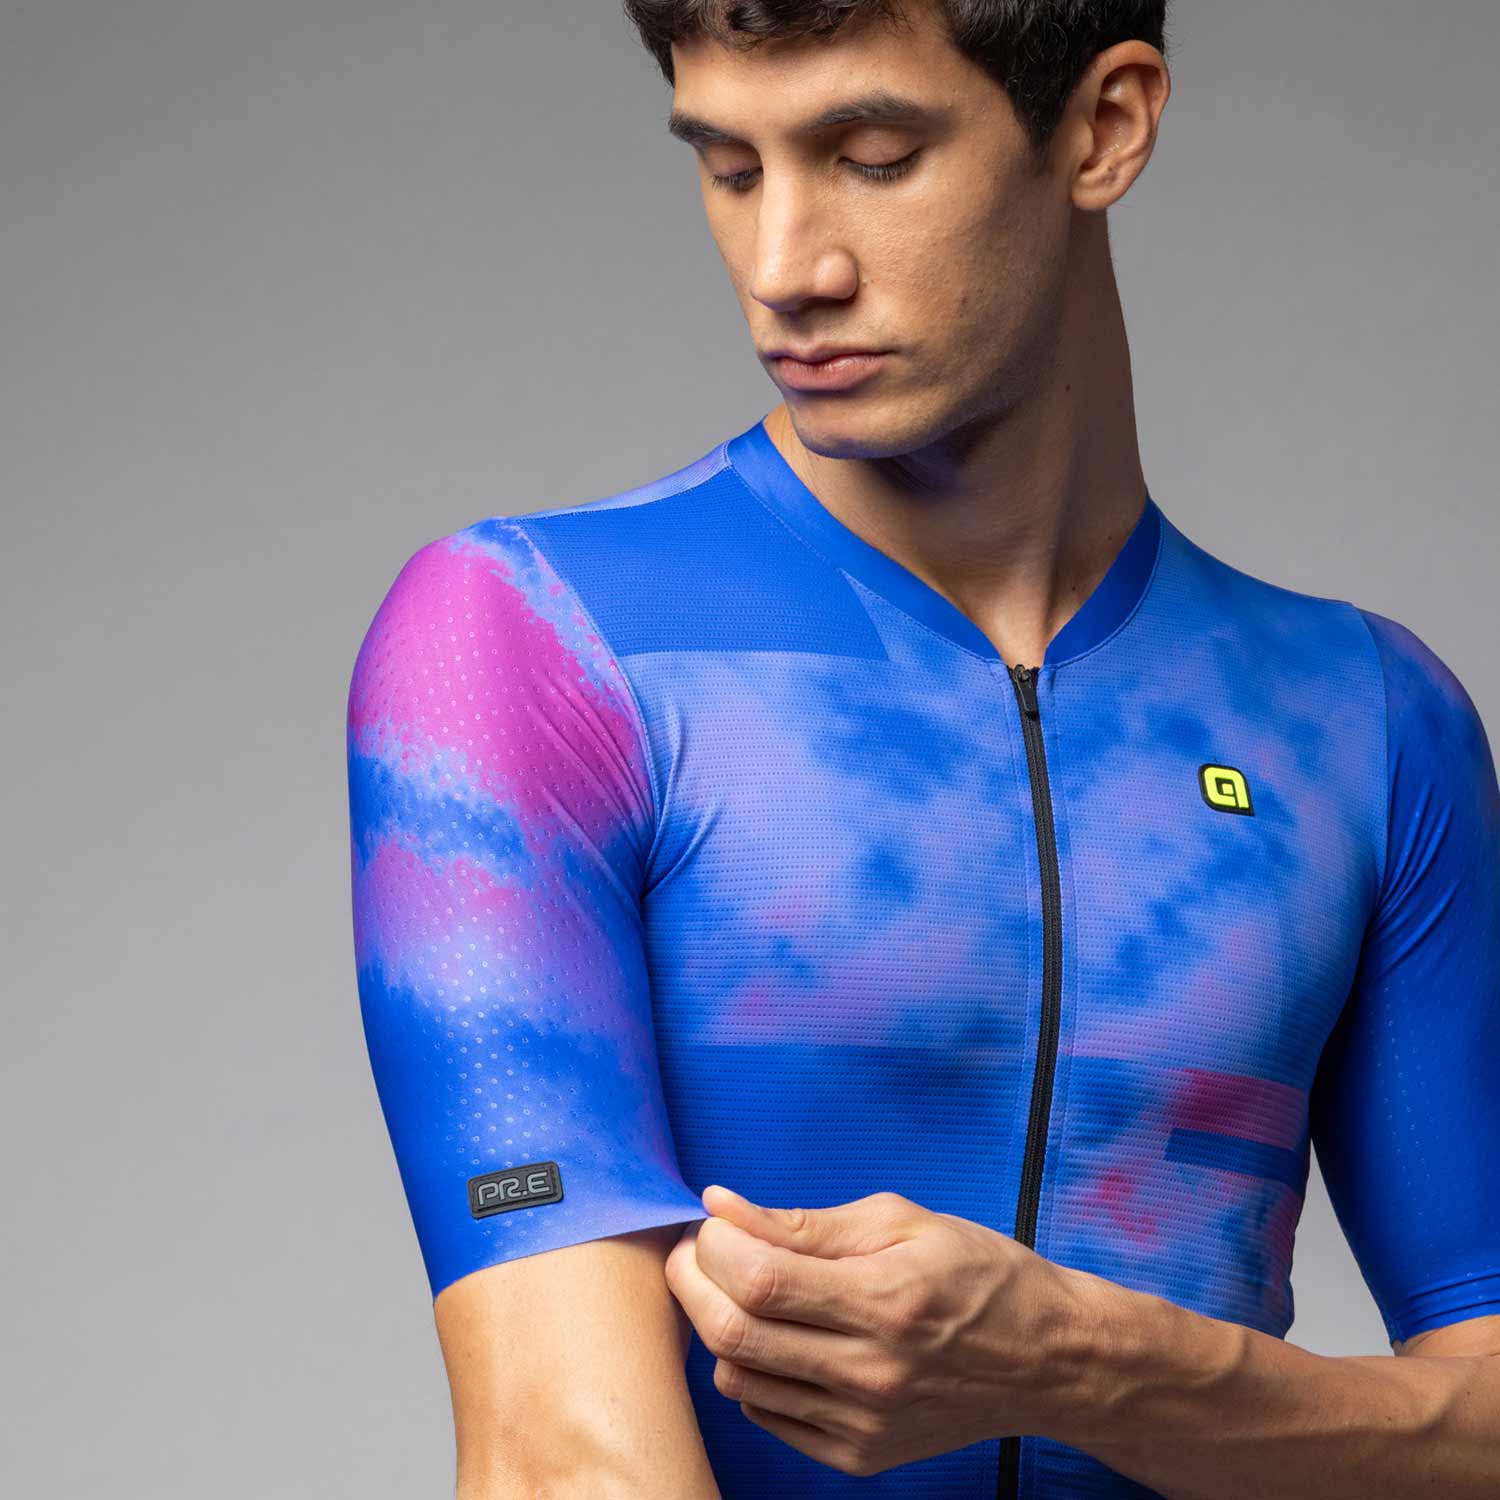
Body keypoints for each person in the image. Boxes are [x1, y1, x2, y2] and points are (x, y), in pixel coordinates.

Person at [344, 2, 1500, 1495]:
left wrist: (1091, 1363)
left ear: (1105, 127)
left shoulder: (1369, 720)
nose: (786, 269)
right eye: (731, 168)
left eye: (873, 157)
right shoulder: (531, 645)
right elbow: (564, 1460)